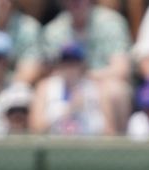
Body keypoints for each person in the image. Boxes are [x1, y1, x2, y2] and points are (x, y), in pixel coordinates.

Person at [41, 0, 132, 132]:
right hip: (67, 87)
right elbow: (51, 72)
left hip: (100, 84)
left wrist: (86, 78)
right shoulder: (53, 30)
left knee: (114, 91)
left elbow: (121, 69)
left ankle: (117, 149)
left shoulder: (111, 22)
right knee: (46, 90)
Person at [30, 42, 113, 134]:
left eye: (74, 63)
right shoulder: (45, 87)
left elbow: (109, 132)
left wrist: (87, 112)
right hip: (54, 144)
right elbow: (36, 127)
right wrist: (68, 109)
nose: (69, 68)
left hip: (88, 144)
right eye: (65, 63)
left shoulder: (97, 89)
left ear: (82, 65)